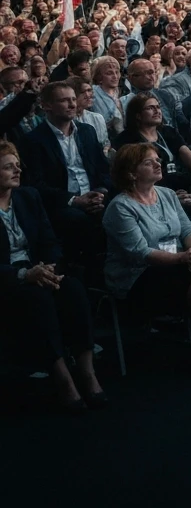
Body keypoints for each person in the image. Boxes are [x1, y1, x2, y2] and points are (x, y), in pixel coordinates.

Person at [102, 143, 191, 375]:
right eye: (149, 162)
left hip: (177, 263)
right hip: (137, 278)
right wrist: (185, 257)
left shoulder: (167, 194)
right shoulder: (120, 207)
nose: (158, 163)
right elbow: (141, 253)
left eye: (157, 159)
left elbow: (188, 229)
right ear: (131, 173)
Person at [0, 142, 107, 411]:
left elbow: (49, 241)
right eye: (8, 167)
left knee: (72, 288)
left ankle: (87, 372)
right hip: (10, 278)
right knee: (38, 299)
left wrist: (50, 267)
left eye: (17, 165)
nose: (17, 170)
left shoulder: (28, 196)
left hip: (40, 268)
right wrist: (25, 274)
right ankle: (63, 378)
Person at [21, 81, 112, 260]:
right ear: (46, 105)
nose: (72, 104)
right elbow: (36, 185)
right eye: (64, 100)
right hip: (62, 203)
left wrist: (102, 191)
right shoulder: (33, 140)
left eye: (73, 99)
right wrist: (74, 200)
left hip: (95, 196)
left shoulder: (87, 132)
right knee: (79, 220)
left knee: (122, 207)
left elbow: (103, 169)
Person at [113, 95, 191, 208]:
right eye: (150, 108)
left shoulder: (168, 132)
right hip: (154, 188)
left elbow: (189, 156)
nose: (157, 111)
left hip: (182, 182)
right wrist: (170, 195)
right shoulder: (127, 139)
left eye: (158, 107)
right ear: (138, 115)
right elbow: (138, 177)